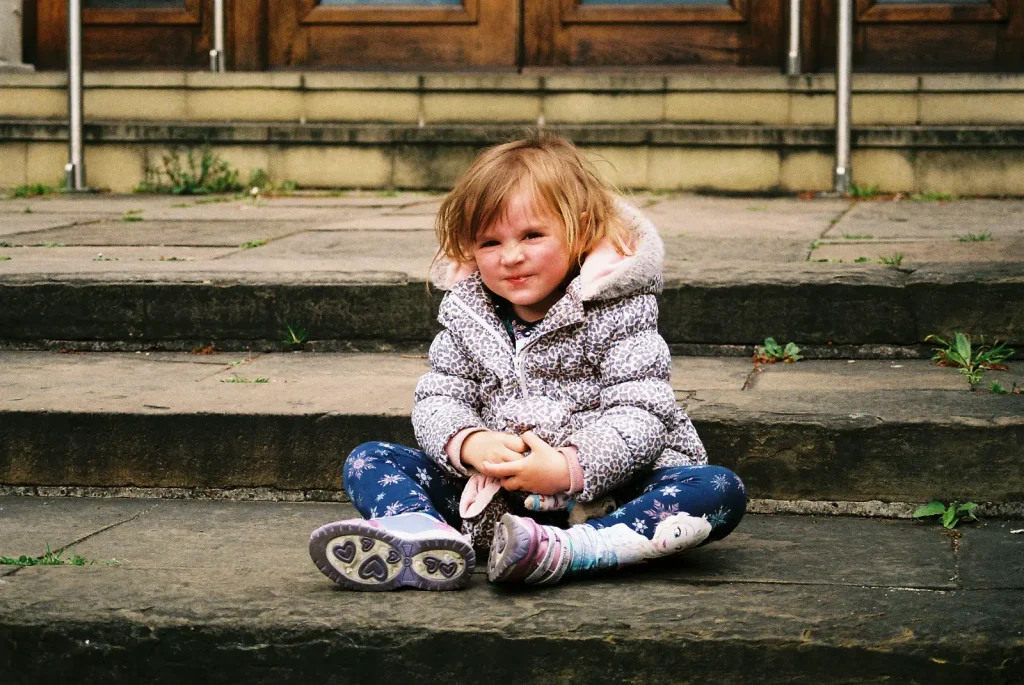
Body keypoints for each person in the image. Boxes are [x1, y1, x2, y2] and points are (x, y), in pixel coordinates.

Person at [309, 134, 745, 591]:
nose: (511, 256)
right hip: (497, 496)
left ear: (578, 229)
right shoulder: (468, 314)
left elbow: (643, 411)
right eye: (490, 242)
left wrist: (567, 467)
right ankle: (422, 536)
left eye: (532, 235)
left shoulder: (619, 309)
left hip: (604, 494)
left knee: (717, 490)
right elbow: (440, 394)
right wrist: (468, 441)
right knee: (368, 461)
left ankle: (574, 550)